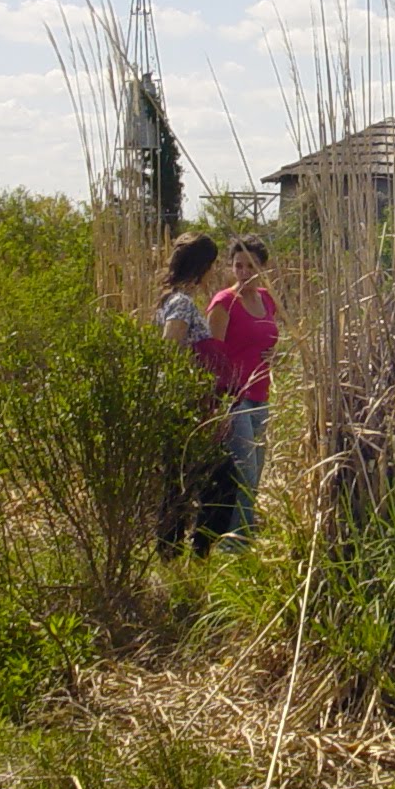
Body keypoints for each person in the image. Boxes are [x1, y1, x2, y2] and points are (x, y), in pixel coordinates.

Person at [206, 234, 280, 547]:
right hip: (234, 397)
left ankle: (243, 538)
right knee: (245, 471)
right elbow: (211, 356)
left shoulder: (267, 299)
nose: (244, 272)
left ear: (263, 267)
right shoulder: (224, 303)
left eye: (251, 265)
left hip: (261, 393)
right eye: (238, 265)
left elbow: (270, 340)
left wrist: (275, 354)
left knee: (257, 469)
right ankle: (233, 544)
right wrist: (218, 403)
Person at [153, 232, 224, 556]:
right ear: (202, 267)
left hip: (183, 402)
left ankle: (175, 550)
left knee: (180, 477)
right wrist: (191, 385)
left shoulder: (171, 300)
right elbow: (170, 348)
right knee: (206, 476)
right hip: (184, 404)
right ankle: (186, 550)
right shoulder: (181, 303)